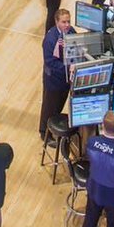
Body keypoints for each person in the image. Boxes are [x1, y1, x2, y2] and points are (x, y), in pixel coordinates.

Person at [39, 8, 75, 139]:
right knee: (49, 108)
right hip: (53, 80)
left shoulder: (71, 32)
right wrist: (68, 67)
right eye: (64, 22)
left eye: (68, 21)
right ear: (56, 22)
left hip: (65, 79)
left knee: (58, 106)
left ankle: (52, 129)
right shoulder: (50, 39)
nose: (67, 25)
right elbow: (50, 62)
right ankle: (45, 134)